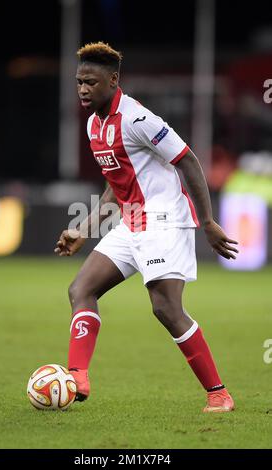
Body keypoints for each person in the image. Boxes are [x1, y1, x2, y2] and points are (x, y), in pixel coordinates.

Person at [55, 42, 239, 412]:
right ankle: (77, 375)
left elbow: (188, 160)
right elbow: (115, 182)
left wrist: (207, 221)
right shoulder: (94, 124)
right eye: (78, 82)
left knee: (166, 308)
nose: (83, 90)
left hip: (164, 220)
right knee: (81, 289)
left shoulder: (140, 120)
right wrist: (85, 228)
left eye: (91, 82)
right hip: (131, 222)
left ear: (113, 80)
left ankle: (219, 394)